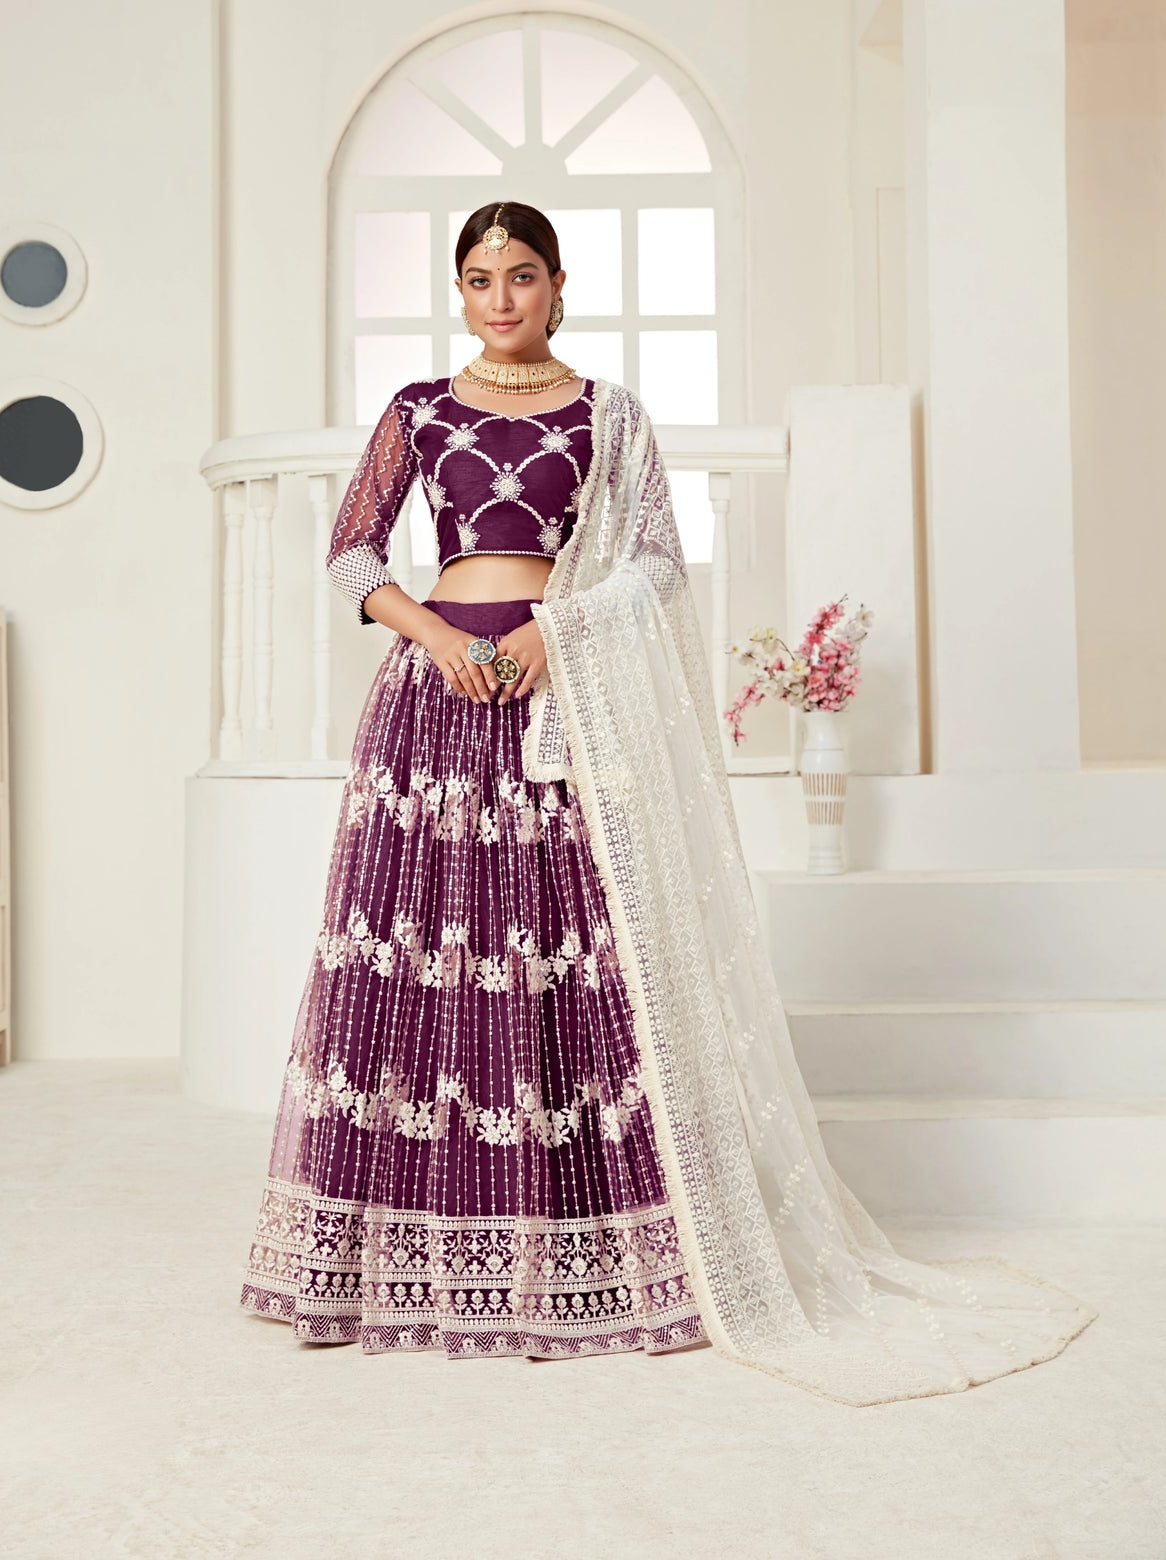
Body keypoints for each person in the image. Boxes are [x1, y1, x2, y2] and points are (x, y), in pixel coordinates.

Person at [240, 201, 1098, 1404]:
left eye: (522, 275)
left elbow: (650, 561)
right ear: (461, 290)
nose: (500, 298)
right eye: (479, 278)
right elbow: (351, 555)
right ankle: (393, 1260)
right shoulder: (418, 411)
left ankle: (588, 1256)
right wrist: (434, 634)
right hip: (436, 699)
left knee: (567, 953)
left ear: (559, 284)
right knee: (426, 957)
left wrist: (557, 630)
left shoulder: (610, 415)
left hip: (560, 691)